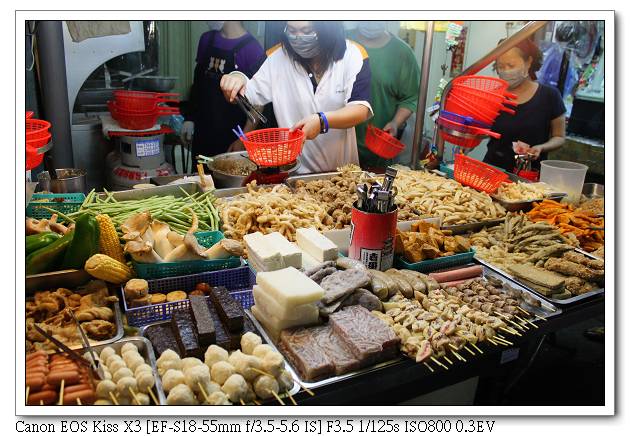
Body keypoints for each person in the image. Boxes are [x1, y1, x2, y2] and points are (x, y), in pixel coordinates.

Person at [220, 21, 372, 173]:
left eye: (307, 31)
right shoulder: (276, 57)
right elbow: (246, 88)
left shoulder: (353, 54)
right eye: (292, 30)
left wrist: (321, 121)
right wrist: (235, 80)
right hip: (295, 175)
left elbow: (360, 109)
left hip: (344, 174)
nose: (298, 38)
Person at [181, 21, 266, 158]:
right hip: (202, 134)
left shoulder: (252, 50)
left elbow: (258, 103)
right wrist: (189, 118)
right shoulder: (206, 40)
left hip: (231, 138)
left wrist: (243, 139)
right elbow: (198, 84)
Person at [484, 38, 566, 171]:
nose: (505, 71)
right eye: (500, 66)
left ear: (528, 62)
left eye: (511, 65)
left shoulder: (550, 96)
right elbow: (482, 130)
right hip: (492, 169)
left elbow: (559, 137)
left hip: (529, 176)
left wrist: (541, 147)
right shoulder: (494, 95)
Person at [349, 21, 420, 171]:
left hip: (378, 148)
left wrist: (395, 122)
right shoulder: (342, 42)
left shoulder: (402, 53)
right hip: (339, 144)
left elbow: (410, 98)